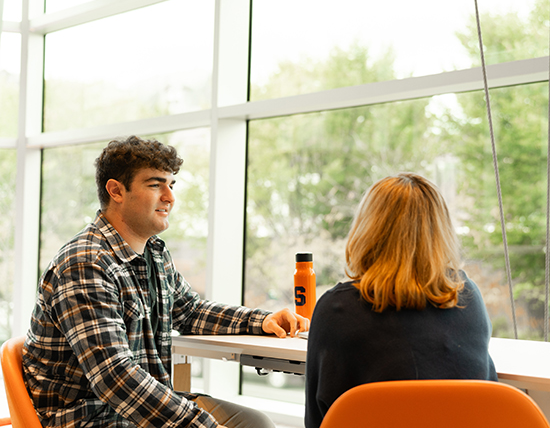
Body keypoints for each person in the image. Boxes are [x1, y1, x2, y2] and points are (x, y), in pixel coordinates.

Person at [23, 135, 309, 428]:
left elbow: (190, 311)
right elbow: (116, 378)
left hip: (135, 407)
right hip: (91, 417)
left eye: (171, 185)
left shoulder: (154, 253)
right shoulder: (86, 263)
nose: (169, 197)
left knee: (255, 422)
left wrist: (261, 321)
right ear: (116, 191)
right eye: (155, 184)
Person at [304, 173, 497, 428]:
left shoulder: (337, 309)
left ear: (367, 230)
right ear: (441, 233)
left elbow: (318, 419)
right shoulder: (467, 296)